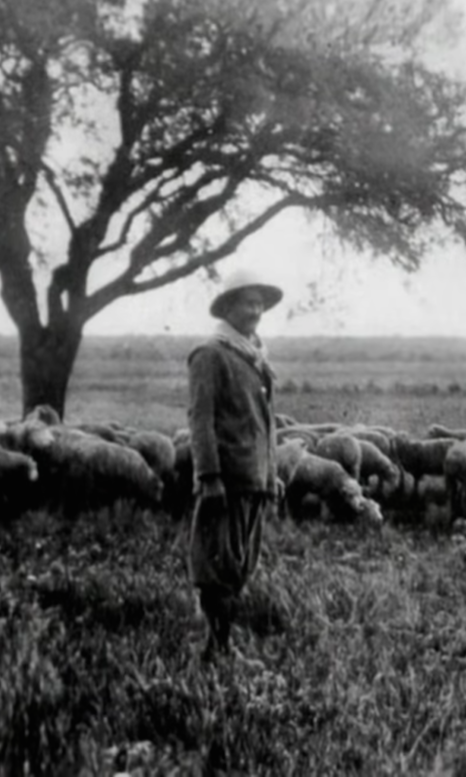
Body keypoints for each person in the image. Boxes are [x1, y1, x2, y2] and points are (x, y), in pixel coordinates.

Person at [186, 268, 284, 662]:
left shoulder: (255, 357)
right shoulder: (211, 355)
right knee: (217, 565)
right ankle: (217, 646)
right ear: (228, 307)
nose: (256, 310)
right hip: (226, 480)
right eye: (248, 302)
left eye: (260, 303)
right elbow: (201, 418)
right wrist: (209, 476)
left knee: (242, 565)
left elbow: (266, 424)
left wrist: (272, 474)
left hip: (254, 478)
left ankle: (222, 644)